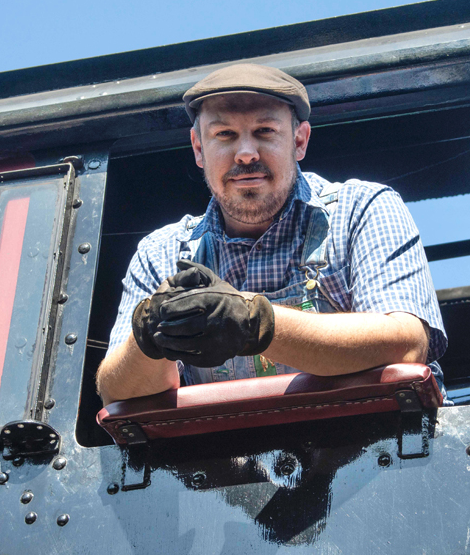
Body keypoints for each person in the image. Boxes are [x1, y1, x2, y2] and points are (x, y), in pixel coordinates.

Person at [96, 64, 446, 403]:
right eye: (225, 135)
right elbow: (116, 392)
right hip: (222, 461)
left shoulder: (362, 209)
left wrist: (254, 322)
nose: (246, 154)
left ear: (299, 140)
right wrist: (151, 333)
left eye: (265, 131)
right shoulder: (160, 254)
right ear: (198, 148)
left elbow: (407, 343)